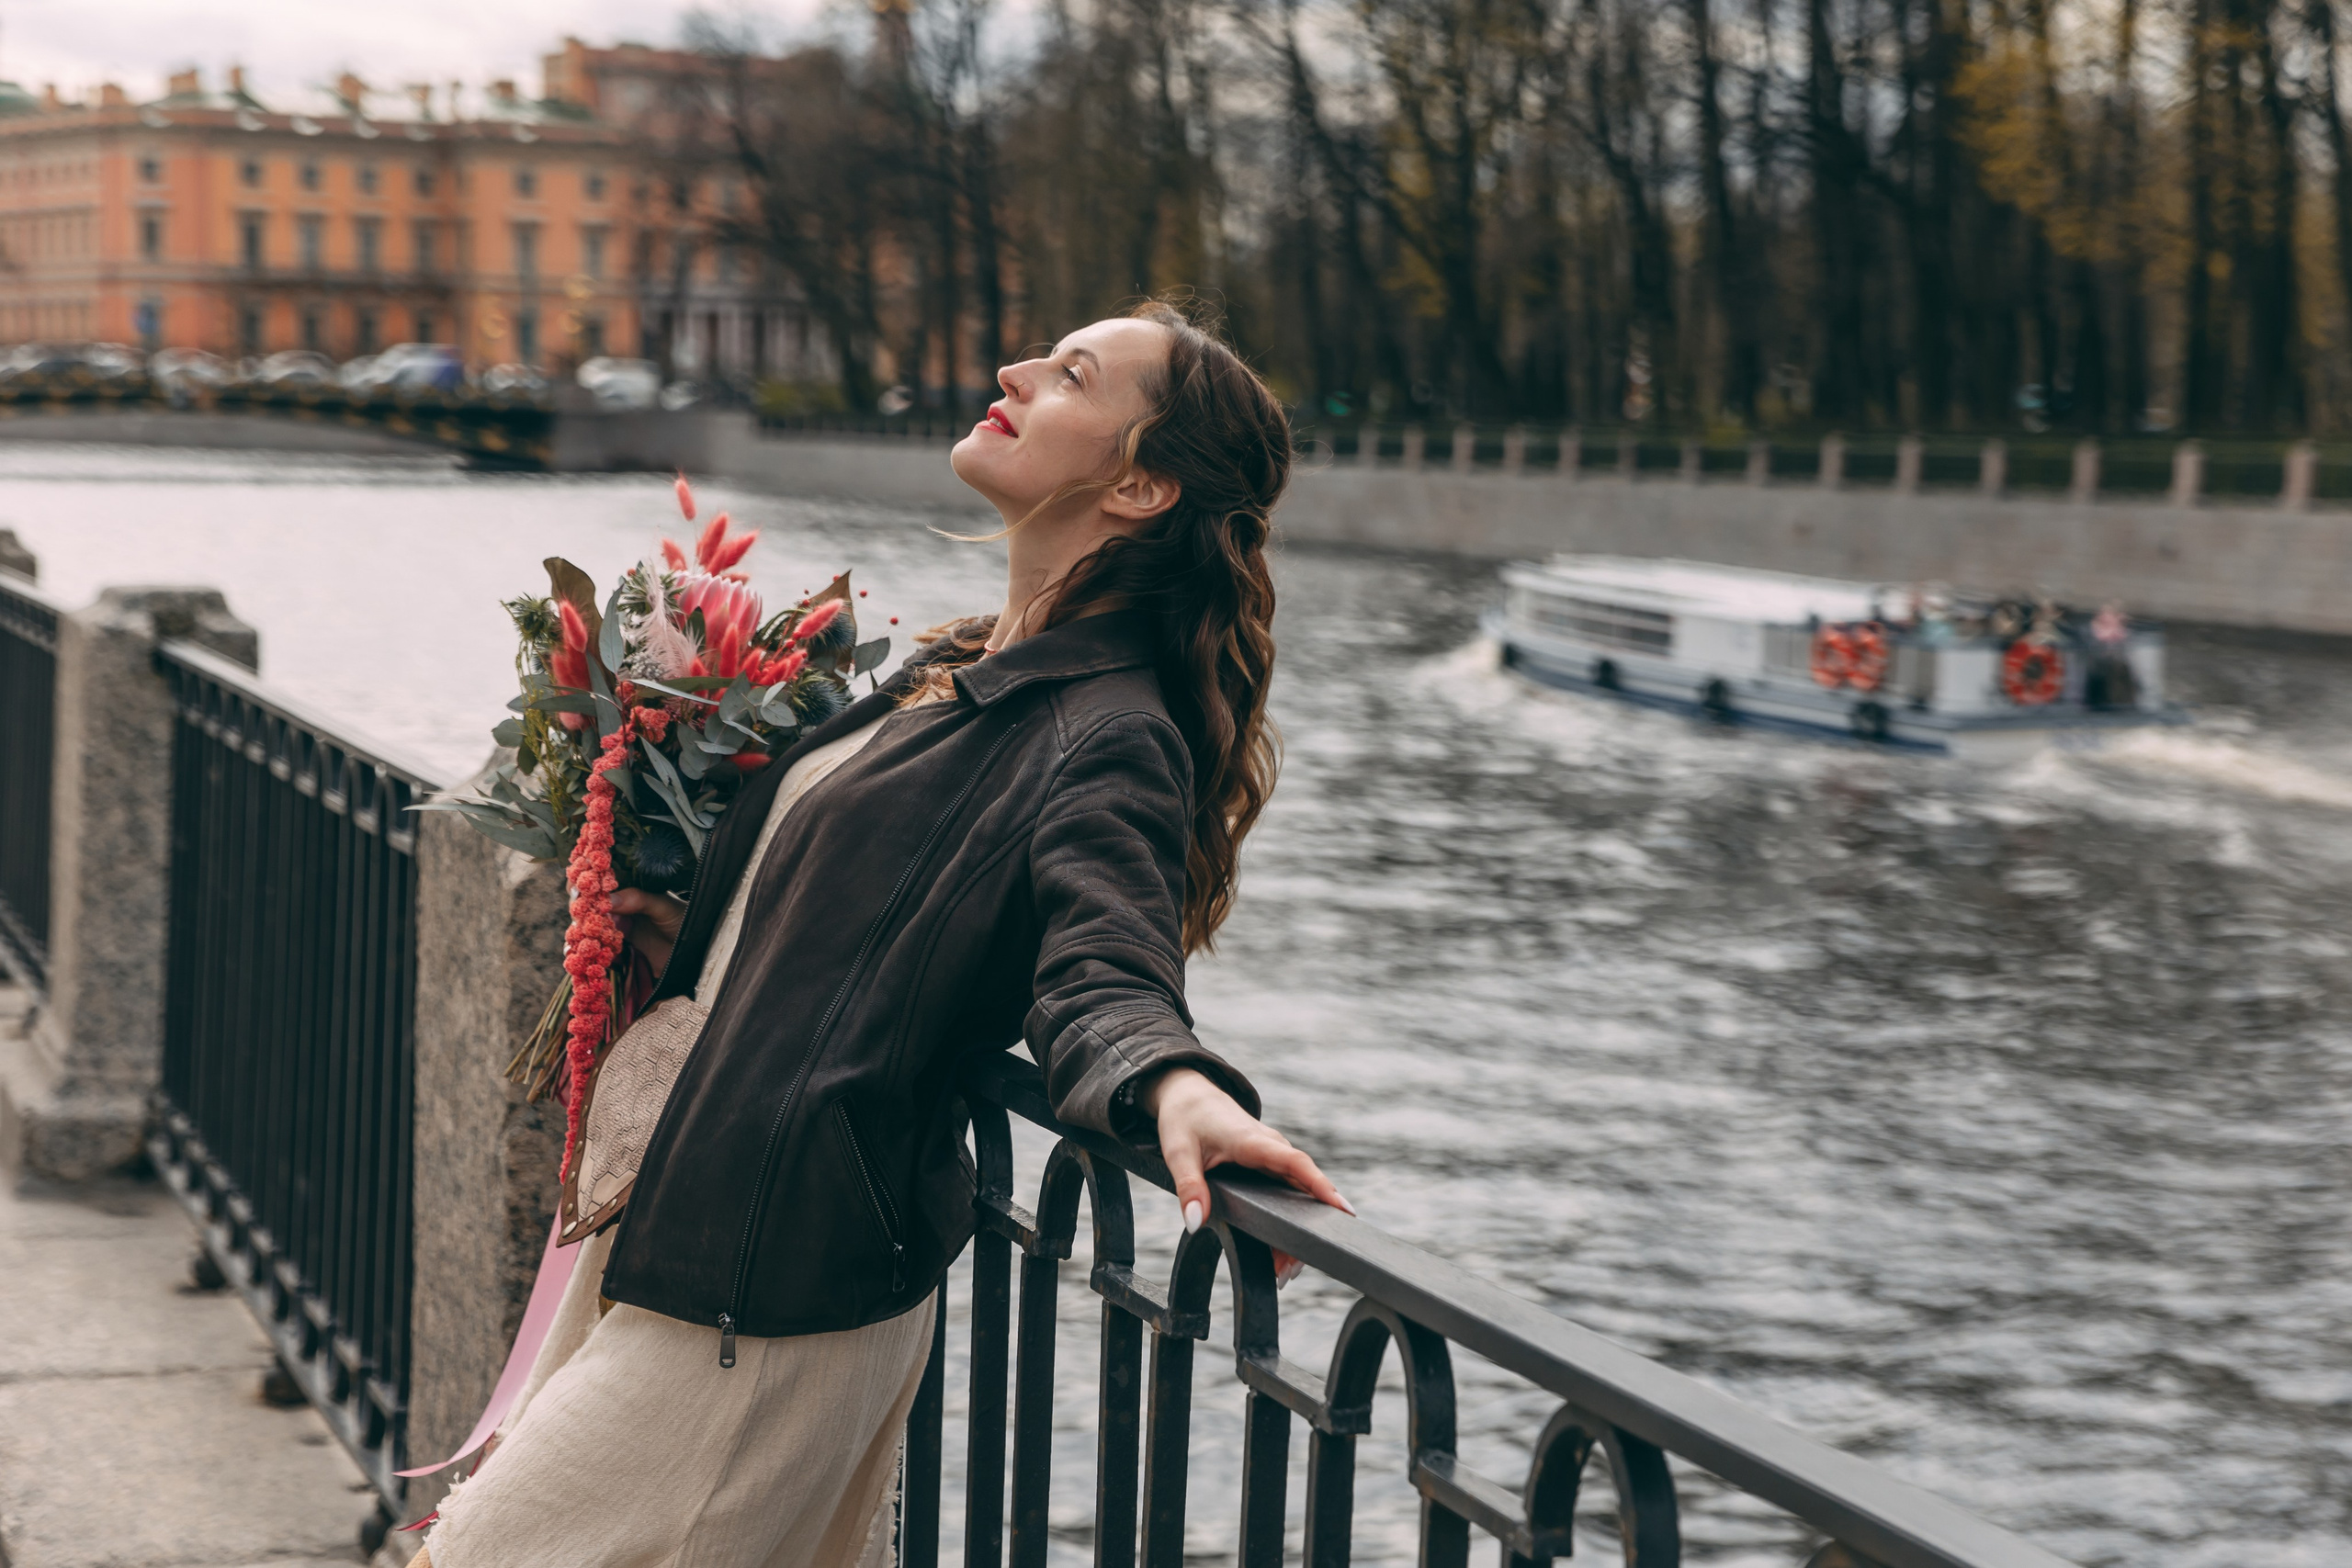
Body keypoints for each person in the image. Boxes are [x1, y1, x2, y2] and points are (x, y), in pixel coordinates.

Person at [416, 301, 1347, 1568]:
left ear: (1139, 484)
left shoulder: (1112, 730)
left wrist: (1170, 1080)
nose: (1014, 369)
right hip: (687, 1213)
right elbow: (875, 922)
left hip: (771, 1289)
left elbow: (1104, 962)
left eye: (1072, 375)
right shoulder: (955, 674)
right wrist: (712, 938)